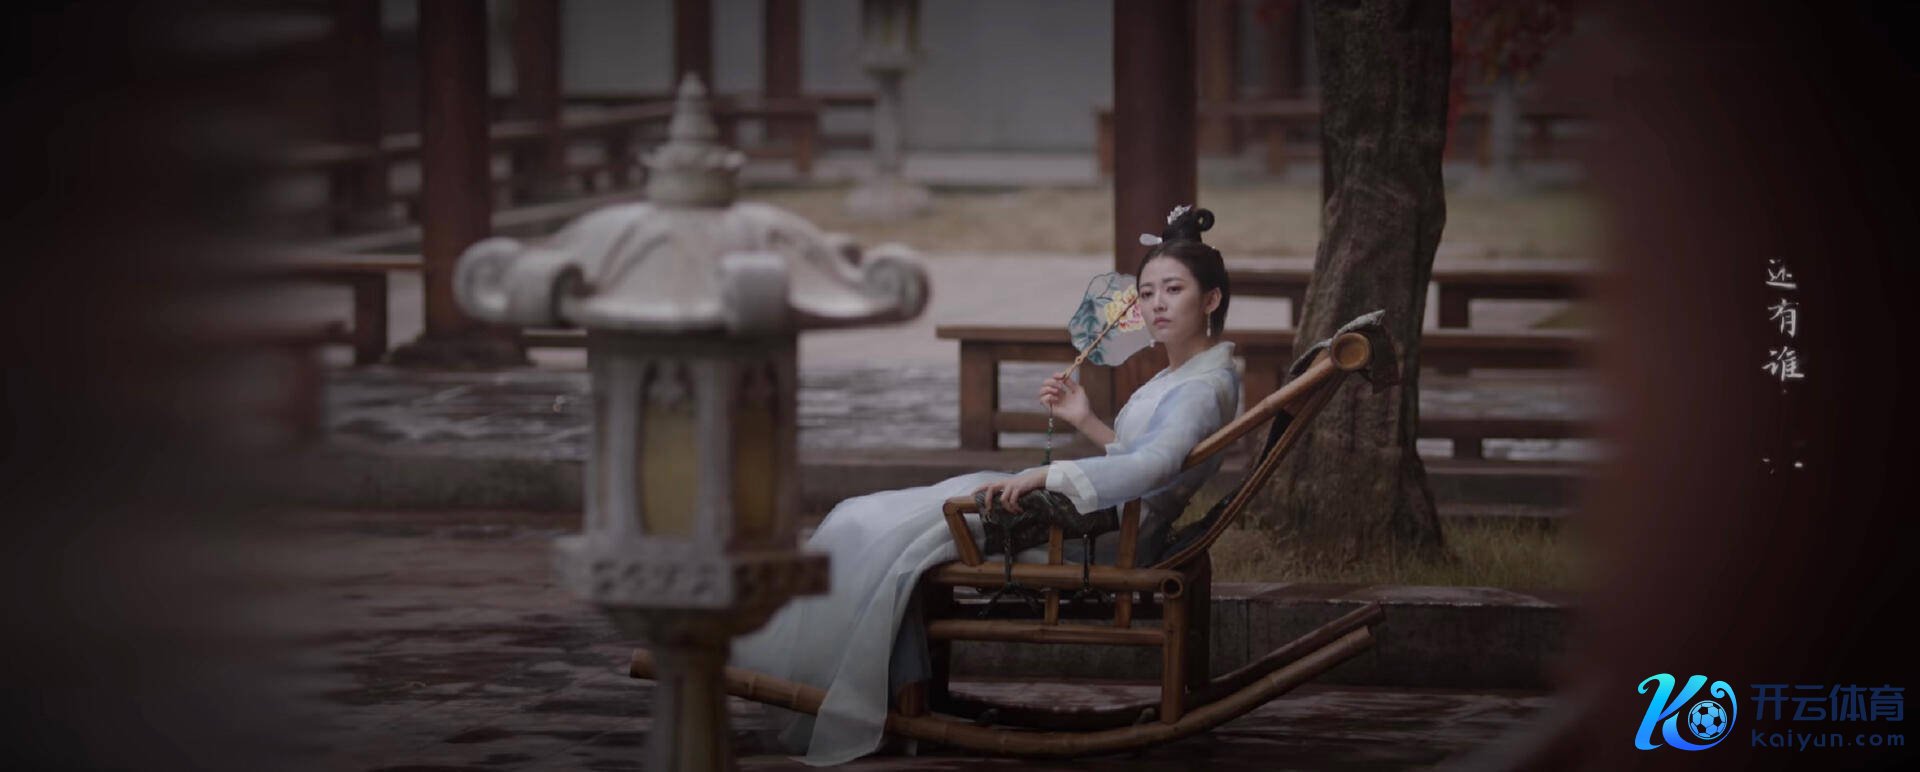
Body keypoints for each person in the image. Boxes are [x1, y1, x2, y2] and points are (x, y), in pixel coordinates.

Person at [729, 205, 1241, 765]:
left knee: (871, 524)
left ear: (1210, 299)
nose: (1157, 303)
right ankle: (868, 682)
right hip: (1098, 517)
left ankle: (849, 683)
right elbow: (1140, 458)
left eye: (1174, 289)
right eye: (1147, 292)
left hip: (1099, 536)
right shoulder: (1185, 374)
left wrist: (1048, 473)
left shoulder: (1200, 389)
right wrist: (1085, 419)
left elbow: (1156, 466)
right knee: (868, 515)